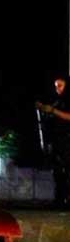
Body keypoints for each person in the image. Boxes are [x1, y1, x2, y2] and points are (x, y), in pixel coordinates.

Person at [37, 76, 70, 208]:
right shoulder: (58, 101)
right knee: (58, 171)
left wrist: (53, 111)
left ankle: (66, 197)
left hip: (68, 141)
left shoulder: (67, 101)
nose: (57, 89)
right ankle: (60, 198)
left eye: (60, 85)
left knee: (67, 170)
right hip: (58, 141)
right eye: (56, 86)